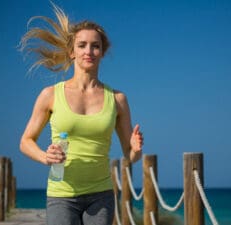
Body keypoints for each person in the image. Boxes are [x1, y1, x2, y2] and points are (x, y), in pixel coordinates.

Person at [19, 4, 143, 225]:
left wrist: (134, 149)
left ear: (102, 52)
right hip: (61, 194)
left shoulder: (117, 99)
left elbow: (129, 155)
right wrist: (44, 157)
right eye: (82, 45)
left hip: (101, 195)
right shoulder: (50, 95)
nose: (88, 51)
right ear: (72, 51)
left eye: (95, 46)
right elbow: (26, 141)